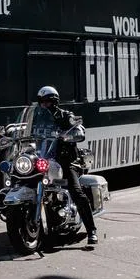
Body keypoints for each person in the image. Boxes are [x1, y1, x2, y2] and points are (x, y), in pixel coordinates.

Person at [36, 86, 97, 246]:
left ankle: (91, 230)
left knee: (76, 191)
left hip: (65, 160)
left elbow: (79, 130)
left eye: (47, 102)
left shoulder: (66, 116)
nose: (44, 105)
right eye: (41, 102)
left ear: (55, 102)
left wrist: (71, 135)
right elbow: (25, 129)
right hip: (44, 157)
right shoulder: (37, 117)